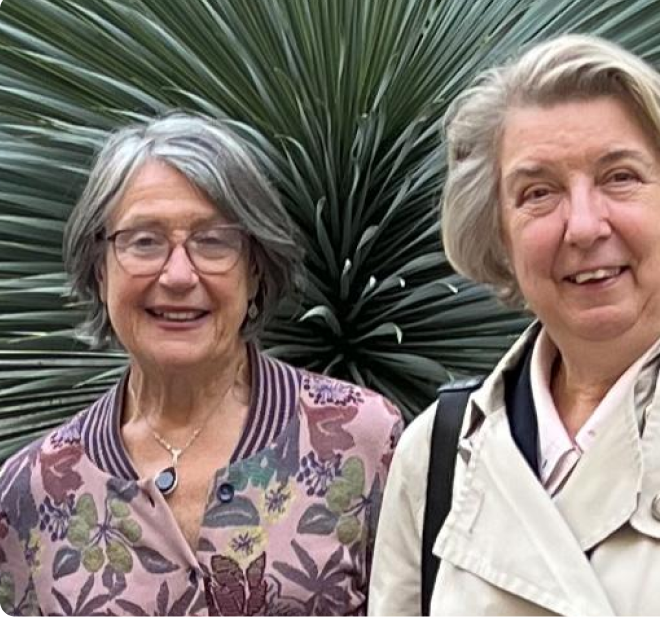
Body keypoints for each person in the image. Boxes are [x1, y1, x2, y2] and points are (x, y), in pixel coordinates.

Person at [369, 34, 660, 617]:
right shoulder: (439, 452)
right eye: (538, 192)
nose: (582, 226)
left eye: (619, 177)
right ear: (499, 233)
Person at [0, 112, 403, 616]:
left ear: (255, 269)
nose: (177, 274)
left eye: (213, 241)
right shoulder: (32, 490)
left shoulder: (364, 441)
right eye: (143, 241)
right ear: (99, 269)